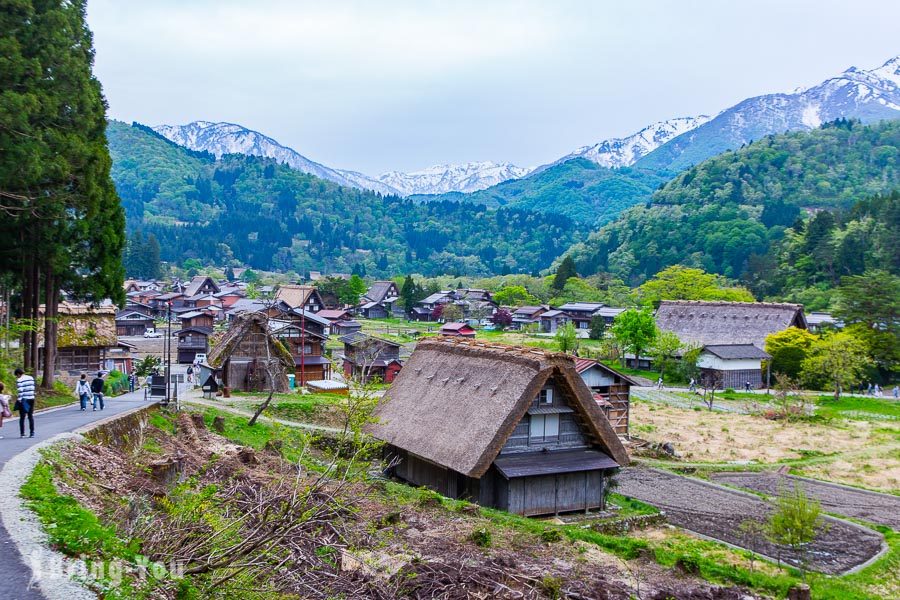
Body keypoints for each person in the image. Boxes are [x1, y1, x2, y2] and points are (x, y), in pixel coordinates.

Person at [14, 368, 35, 438]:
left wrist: (19, 399)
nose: (17, 377)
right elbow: (32, 388)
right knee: (30, 416)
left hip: (24, 400)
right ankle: (32, 433)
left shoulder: (19, 380)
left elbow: (20, 391)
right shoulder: (31, 378)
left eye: (16, 375)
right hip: (31, 398)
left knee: (22, 417)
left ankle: (22, 433)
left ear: (18, 374)